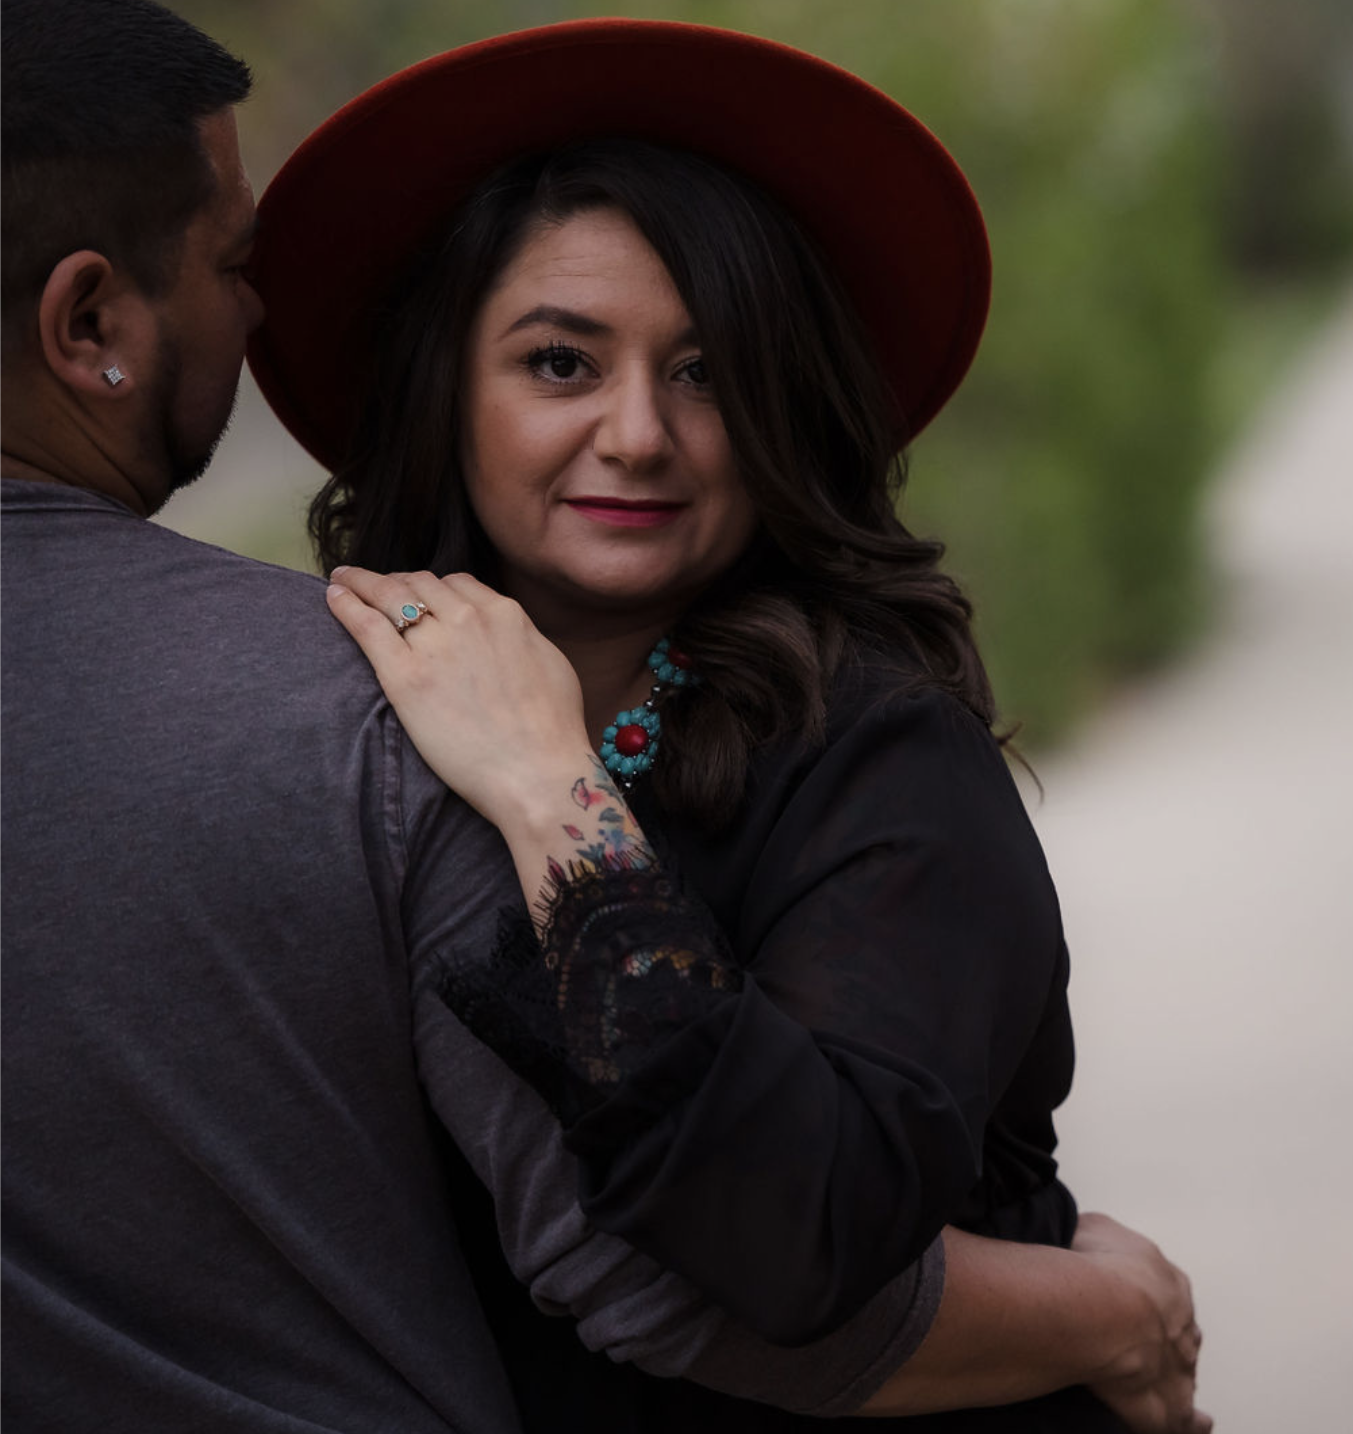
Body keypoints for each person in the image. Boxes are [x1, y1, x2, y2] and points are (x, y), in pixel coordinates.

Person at [0, 3, 1203, 1428]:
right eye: (562, 363)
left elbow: (802, 1233)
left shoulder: (879, 753)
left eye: (702, 372)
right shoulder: (349, 720)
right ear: (449, 390)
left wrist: (555, 795)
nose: (639, 432)